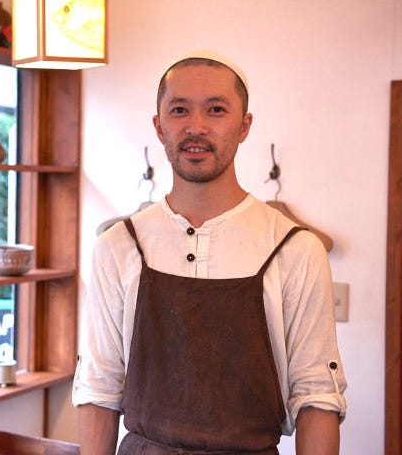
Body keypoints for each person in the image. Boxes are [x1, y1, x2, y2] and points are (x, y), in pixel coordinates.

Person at [73, 50, 347, 455]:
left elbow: (317, 396)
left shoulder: (295, 249)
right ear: (159, 126)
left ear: (244, 126)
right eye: (179, 110)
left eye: (216, 110)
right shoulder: (118, 245)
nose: (196, 127)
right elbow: (99, 387)